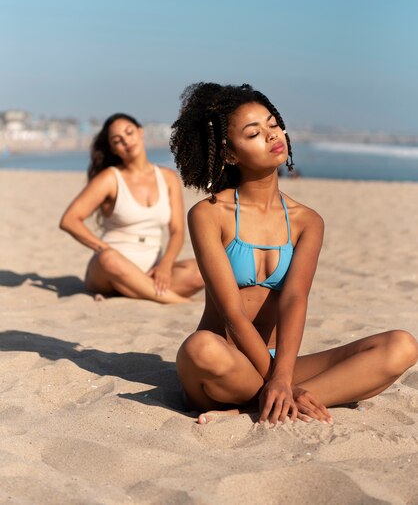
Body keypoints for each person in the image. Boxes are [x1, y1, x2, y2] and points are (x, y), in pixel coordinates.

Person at [170, 83, 418, 424]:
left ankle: (260, 406)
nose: (273, 136)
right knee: (199, 348)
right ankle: (289, 396)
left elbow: (294, 299)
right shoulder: (209, 215)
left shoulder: (307, 221)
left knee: (401, 345)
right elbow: (231, 313)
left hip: (279, 362)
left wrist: (283, 377)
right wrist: (281, 381)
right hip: (226, 361)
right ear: (229, 154)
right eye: (255, 133)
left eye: (274, 124)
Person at [60, 113, 204, 304]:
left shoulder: (168, 178)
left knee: (201, 272)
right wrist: (104, 249)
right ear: (113, 149)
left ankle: (136, 288)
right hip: (108, 271)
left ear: (140, 132)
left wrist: (166, 265)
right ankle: (179, 301)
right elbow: (69, 220)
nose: (126, 141)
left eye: (129, 133)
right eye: (117, 140)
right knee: (108, 259)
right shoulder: (110, 178)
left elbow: (177, 231)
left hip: (153, 270)